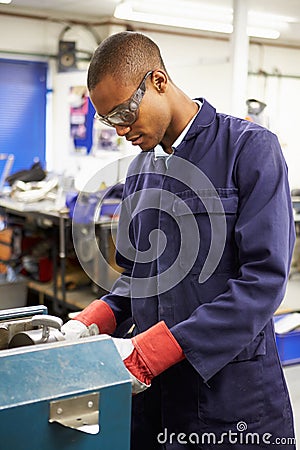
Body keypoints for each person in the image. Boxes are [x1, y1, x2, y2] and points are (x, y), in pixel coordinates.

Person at [62, 32, 296, 449]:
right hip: (153, 398)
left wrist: (156, 350)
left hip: (231, 398)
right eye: (109, 120)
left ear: (158, 81)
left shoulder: (249, 150)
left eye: (124, 112)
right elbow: (137, 275)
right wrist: (92, 319)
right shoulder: (138, 172)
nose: (121, 130)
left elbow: (262, 283)